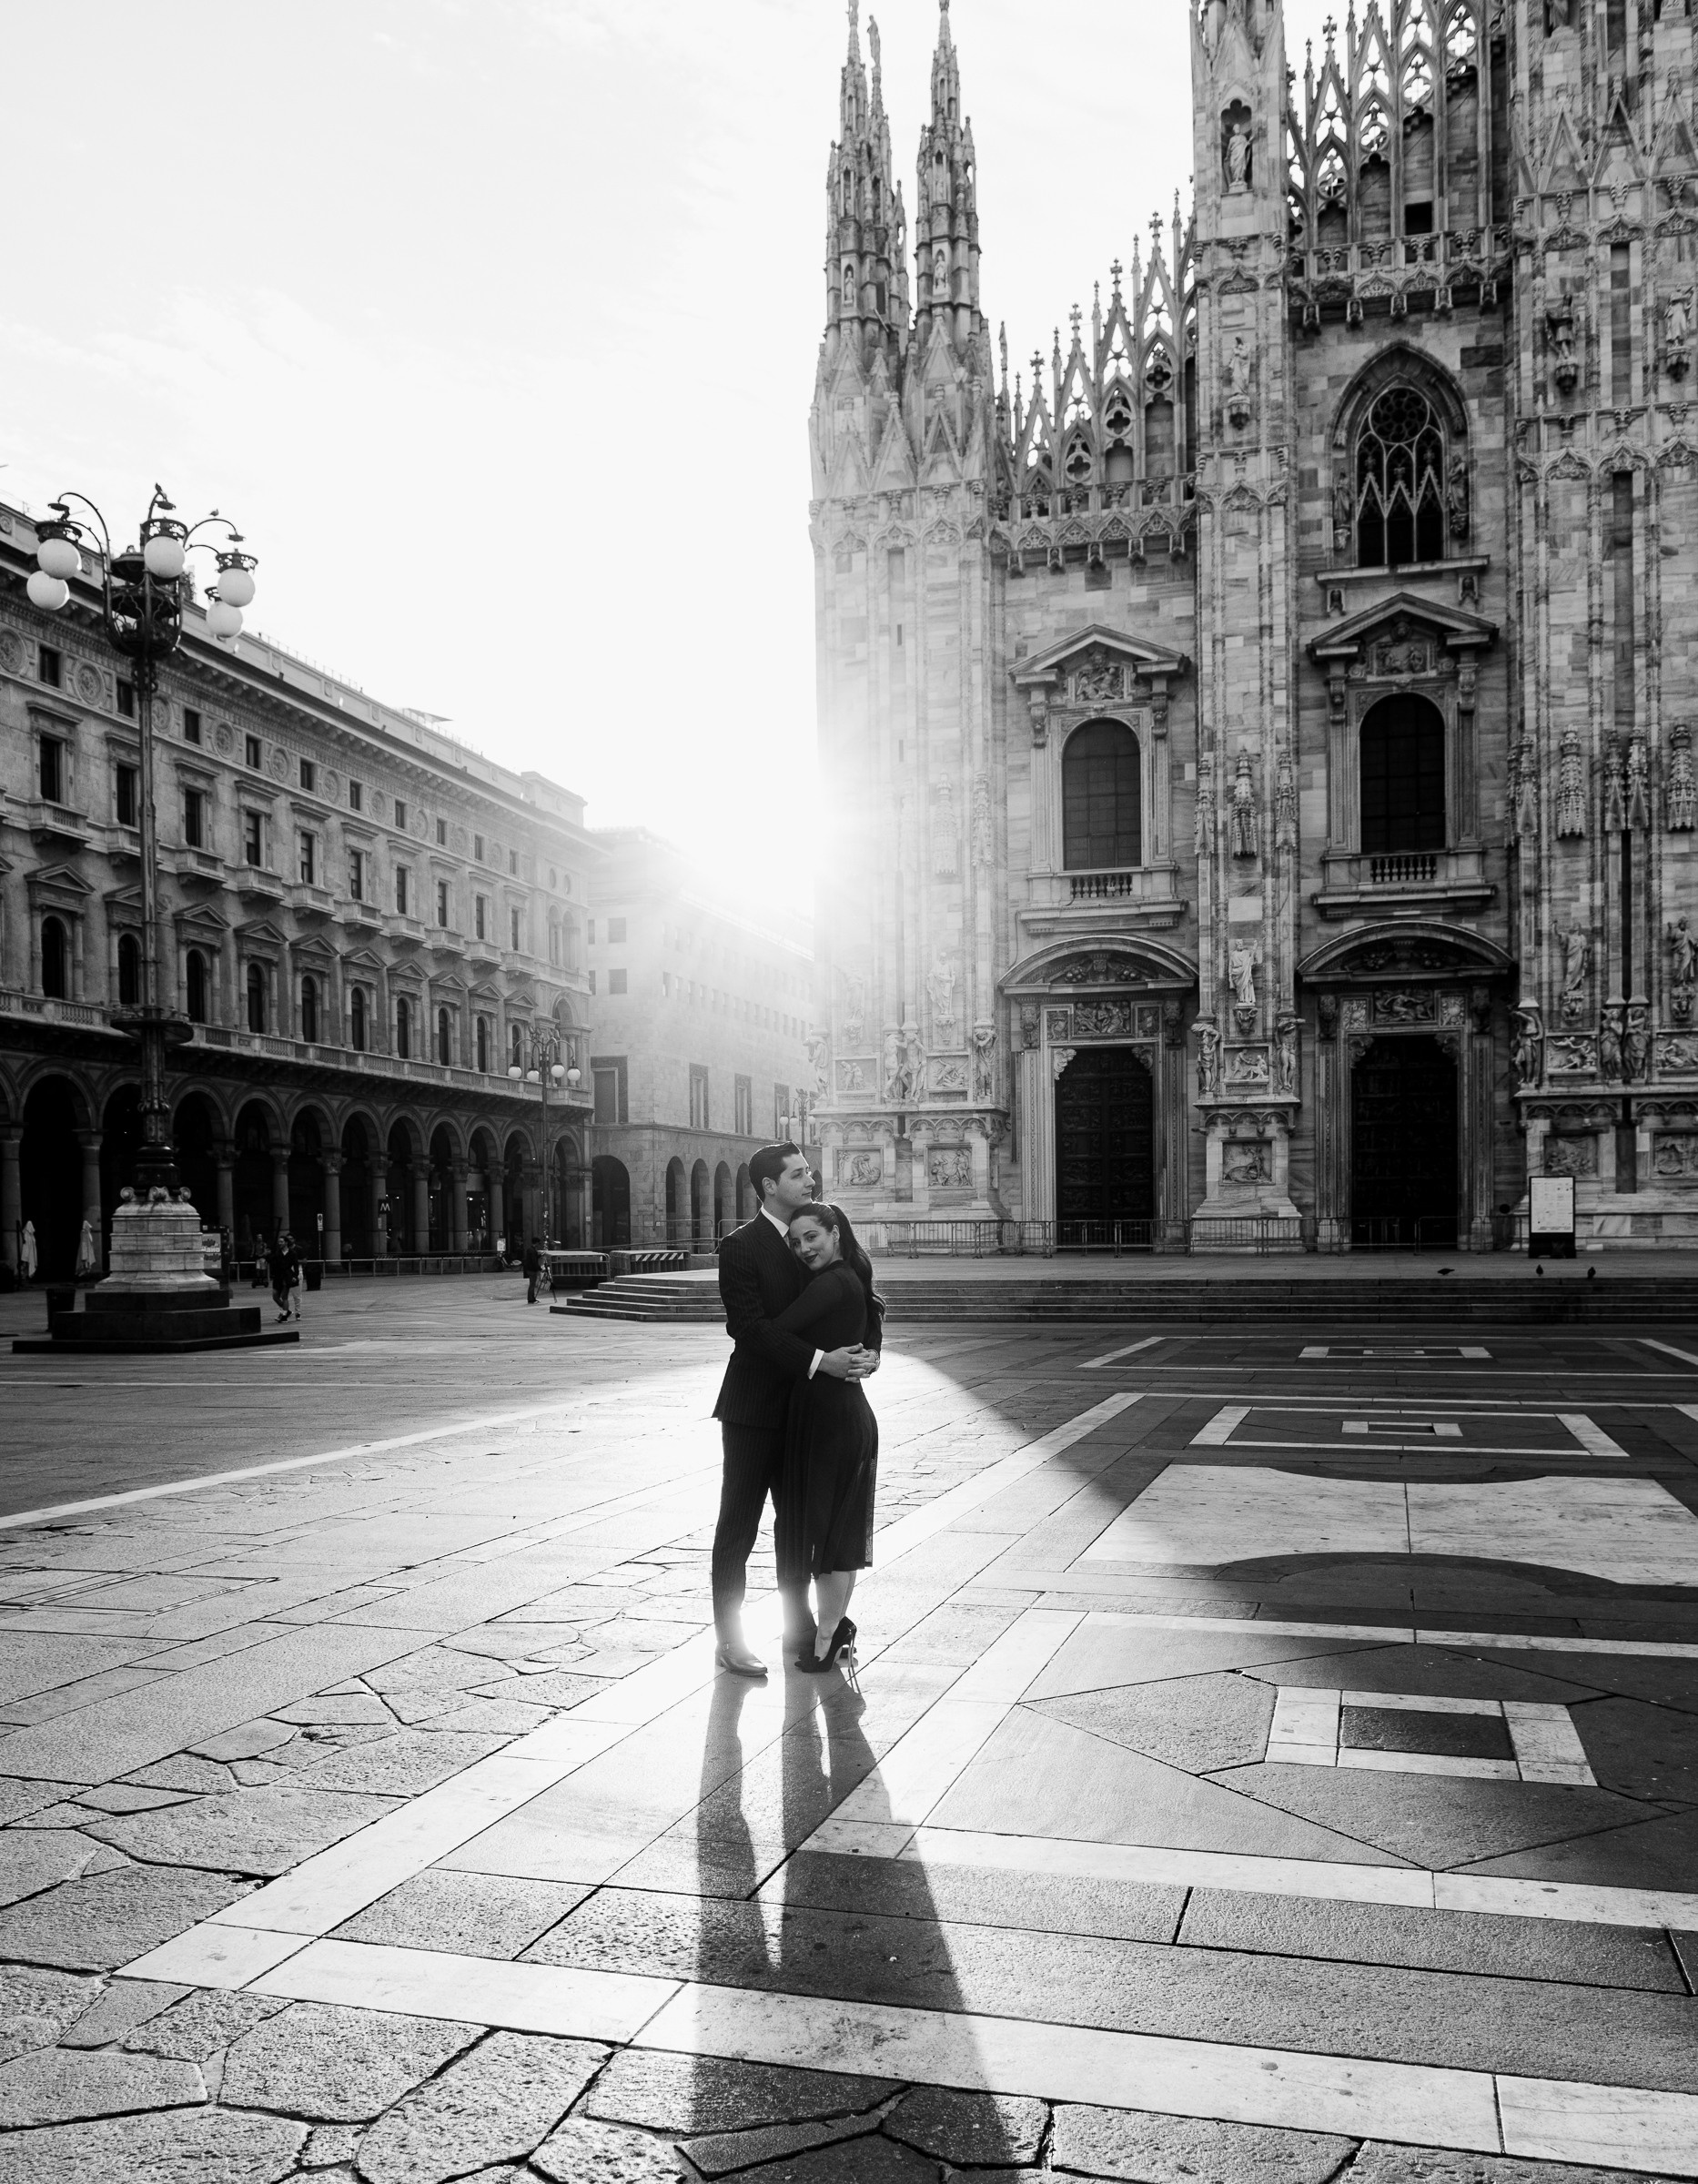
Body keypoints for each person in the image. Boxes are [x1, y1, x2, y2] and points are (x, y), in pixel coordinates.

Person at [710, 1141, 877, 1677]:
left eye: (808, 1172)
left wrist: (868, 1350)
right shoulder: (741, 1246)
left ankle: (800, 1626)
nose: (810, 1179)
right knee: (739, 1521)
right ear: (768, 1187)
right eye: (799, 1174)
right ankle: (730, 1638)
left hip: (809, 1411)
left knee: (798, 1524)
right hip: (756, 1404)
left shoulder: (814, 1233)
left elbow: (856, 1295)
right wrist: (818, 1363)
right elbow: (749, 1328)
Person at [774, 1202, 883, 1675]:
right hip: (841, 1417)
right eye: (796, 1242)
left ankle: (826, 1635)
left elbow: (774, 1333)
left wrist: (816, 1359)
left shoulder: (832, 1282)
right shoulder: (850, 1279)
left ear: (835, 1233)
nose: (803, 1249)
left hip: (832, 1421)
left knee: (828, 1534)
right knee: (837, 1530)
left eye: (812, 1237)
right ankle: (833, 1629)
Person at [522, 1237, 541, 1305]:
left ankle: (531, 1298)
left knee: (532, 1284)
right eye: (538, 1243)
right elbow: (534, 1261)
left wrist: (539, 1256)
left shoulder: (530, 1249)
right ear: (536, 1243)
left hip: (529, 1269)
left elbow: (533, 1258)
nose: (539, 1245)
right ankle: (531, 1299)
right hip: (532, 1270)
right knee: (532, 1284)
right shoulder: (532, 1250)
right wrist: (539, 1268)